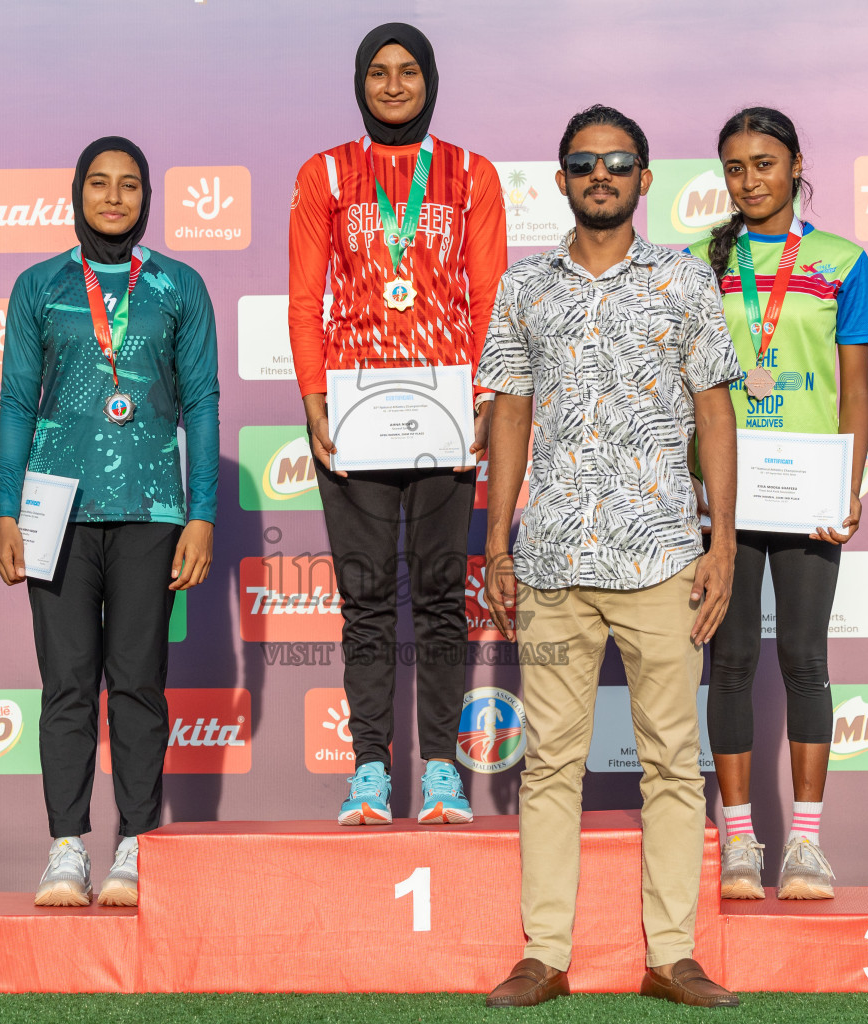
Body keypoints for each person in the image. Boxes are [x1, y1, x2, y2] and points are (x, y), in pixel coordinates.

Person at [481, 105, 742, 1009]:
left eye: (619, 162)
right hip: (551, 557)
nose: (602, 175)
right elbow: (507, 411)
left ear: (644, 179)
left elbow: (716, 411)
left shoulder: (684, 283)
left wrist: (724, 539)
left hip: (664, 552)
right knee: (550, 761)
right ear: (560, 179)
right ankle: (543, 955)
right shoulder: (524, 288)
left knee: (673, 758)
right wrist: (497, 540)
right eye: (585, 163)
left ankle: (671, 955)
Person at [287, 23, 507, 826]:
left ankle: (442, 769)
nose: (391, 86)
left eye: (407, 71)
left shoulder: (471, 175)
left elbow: (489, 298)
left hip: (450, 412)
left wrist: (485, 395)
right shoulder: (326, 174)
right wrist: (312, 394)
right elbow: (305, 297)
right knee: (368, 597)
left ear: (430, 79)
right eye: (376, 72)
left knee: (445, 597)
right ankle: (371, 769)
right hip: (354, 411)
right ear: (359, 82)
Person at [0, 136, 220, 907]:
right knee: (65, 685)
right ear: (76, 193)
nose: (114, 197)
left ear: (148, 198)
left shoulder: (179, 287)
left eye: (129, 185)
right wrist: (3, 509)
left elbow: (205, 404)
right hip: (55, 507)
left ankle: (135, 842)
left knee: (138, 685)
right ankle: (66, 846)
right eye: (100, 183)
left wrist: (203, 514)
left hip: (153, 509)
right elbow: (19, 402)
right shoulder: (39, 285)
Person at [687, 107, 868, 901]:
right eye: (735, 167)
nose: (750, 179)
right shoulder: (698, 262)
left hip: (807, 493)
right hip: (724, 496)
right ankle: (737, 845)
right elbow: (684, 390)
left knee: (805, 659)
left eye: (765, 163)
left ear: (797, 164)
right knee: (727, 663)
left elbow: (855, 390)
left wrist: (849, 484)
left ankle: (805, 847)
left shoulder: (842, 260)